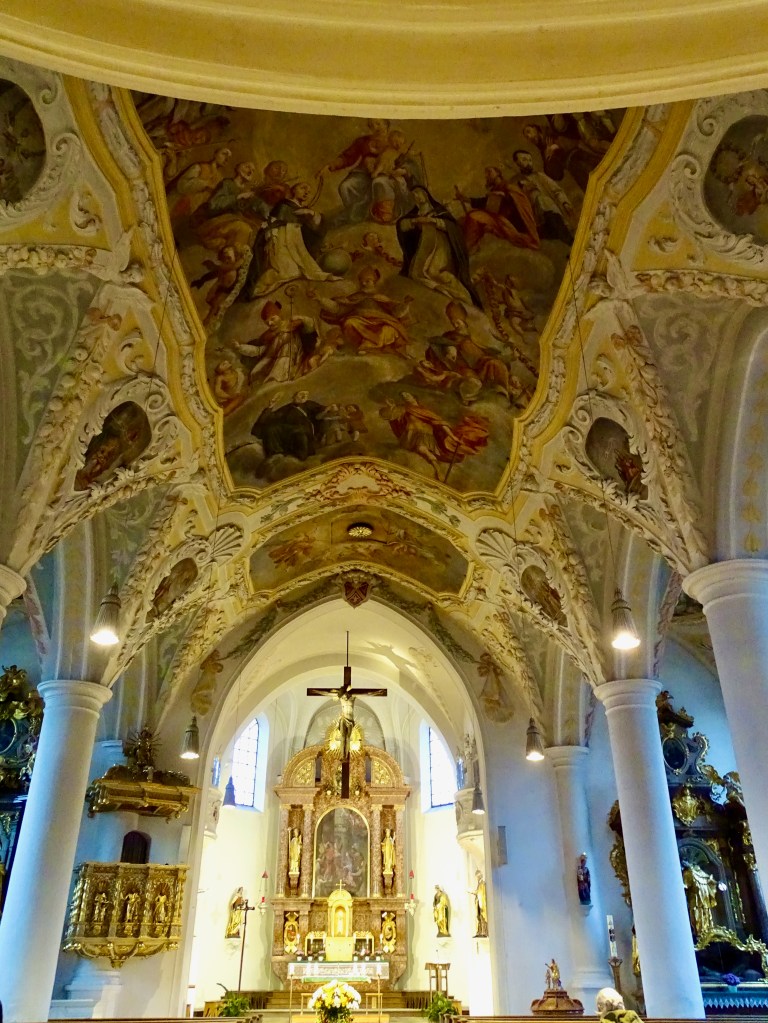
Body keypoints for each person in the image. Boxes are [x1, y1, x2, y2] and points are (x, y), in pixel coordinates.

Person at [396, 185, 482, 307]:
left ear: (426, 195)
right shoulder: (415, 214)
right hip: (425, 246)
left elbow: (453, 228)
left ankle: (463, 296)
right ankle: (441, 290)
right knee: (416, 273)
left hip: (441, 246)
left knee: (434, 272)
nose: (416, 196)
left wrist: (433, 221)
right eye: (414, 195)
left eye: (419, 193)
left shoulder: (439, 211)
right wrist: (414, 221)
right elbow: (402, 226)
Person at [379, 391, 489, 480]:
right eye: (403, 396)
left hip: (428, 435)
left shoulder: (424, 411)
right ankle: (437, 469)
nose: (405, 397)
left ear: (414, 397)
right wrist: (392, 407)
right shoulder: (403, 411)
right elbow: (392, 417)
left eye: (407, 394)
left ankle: (438, 470)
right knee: (422, 449)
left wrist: (453, 437)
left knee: (423, 449)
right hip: (413, 435)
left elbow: (440, 423)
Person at [456, 165, 539, 252]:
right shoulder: (495, 189)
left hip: (509, 223)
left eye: (489, 172)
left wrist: (505, 196)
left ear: (498, 173)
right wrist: (464, 199)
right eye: (486, 174)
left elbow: (519, 203)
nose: (487, 176)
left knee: (474, 216)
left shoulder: (509, 187)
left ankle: (467, 248)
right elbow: (485, 203)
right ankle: (468, 247)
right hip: (498, 219)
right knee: (464, 219)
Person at [235, 299, 318, 385]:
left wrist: (302, 319)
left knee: (285, 353)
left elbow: (310, 327)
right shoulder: (270, 336)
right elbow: (259, 350)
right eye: (267, 322)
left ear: (279, 315)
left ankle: (276, 381)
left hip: (291, 359)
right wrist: (240, 347)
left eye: (272, 319)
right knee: (255, 372)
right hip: (272, 362)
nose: (270, 323)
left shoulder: (292, 325)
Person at [511, 149, 575, 243]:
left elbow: (556, 190)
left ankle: (568, 239)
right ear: (516, 162)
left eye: (530, 160)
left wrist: (564, 202)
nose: (529, 163)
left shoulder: (540, 176)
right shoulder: (515, 181)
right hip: (534, 218)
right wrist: (525, 190)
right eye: (524, 160)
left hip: (552, 212)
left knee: (544, 200)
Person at [250, 390, 325, 462]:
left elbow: (322, 412)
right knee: (271, 429)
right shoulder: (287, 408)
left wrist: (327, 410)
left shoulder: (310, 404)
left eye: (306, 395)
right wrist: (270, 407)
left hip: (304, 430)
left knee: (299, 433)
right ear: (294, 396)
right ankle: (276, 454)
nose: (304, 396)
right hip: (289, 432)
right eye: (301, 394)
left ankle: (301, 457)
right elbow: (271, 418)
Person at [682, 860, 719, 939]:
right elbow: (685, 886)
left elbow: (712, 884)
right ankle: (698, 933)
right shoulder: (689, 872)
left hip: (704, 901)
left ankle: (706, 932)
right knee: (696, 916)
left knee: (706, 915)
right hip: (694, 901)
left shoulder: (705, 876)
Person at [471, 870, 488, 937]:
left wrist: (472, 891)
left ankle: (484, 932)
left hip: (481, 903)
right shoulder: (479, 884)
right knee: (478, 917)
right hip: (478, 902)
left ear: (479, 876)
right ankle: (479, 931)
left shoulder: (482, 883)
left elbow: (479, 892)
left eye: (477, 876)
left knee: (482, 917)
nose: (476, 878)